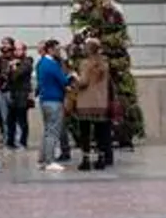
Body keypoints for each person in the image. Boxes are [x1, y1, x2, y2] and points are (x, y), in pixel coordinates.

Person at [72, 39, 114, 171]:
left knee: (85, 133)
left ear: (88, 49)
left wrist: (74, 76)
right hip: (100, 102)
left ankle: (85, 160)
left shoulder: (85, 63)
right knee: (100, 132)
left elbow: (83, 82)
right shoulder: (104, 64)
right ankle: (101, 159)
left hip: (85, 103)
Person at [35, 39, 71, 172]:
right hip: (54, 100)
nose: (58, 51)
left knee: (46, 131)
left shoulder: (41, 63)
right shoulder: (52, 64)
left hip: (44, 100)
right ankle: (50, 161)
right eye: (57, 49)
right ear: (49, 49)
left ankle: (42, 160)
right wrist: (71, 77)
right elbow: (63, 80)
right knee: (52, 132)